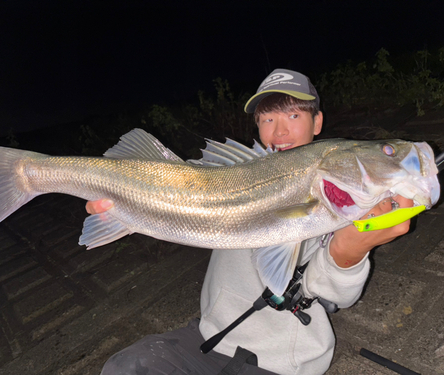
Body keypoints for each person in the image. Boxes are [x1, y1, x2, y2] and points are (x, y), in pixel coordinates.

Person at [89, 69, 413, 375]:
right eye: (267, 118)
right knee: (124, 367)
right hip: (209, 337)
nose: (280, 130)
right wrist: (121, 202)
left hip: (279, 362)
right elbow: (180, 180)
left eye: (294, 115)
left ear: (318, 122)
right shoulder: (234, 172)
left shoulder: (337, 190)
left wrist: (350, 252)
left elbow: (337, 295)